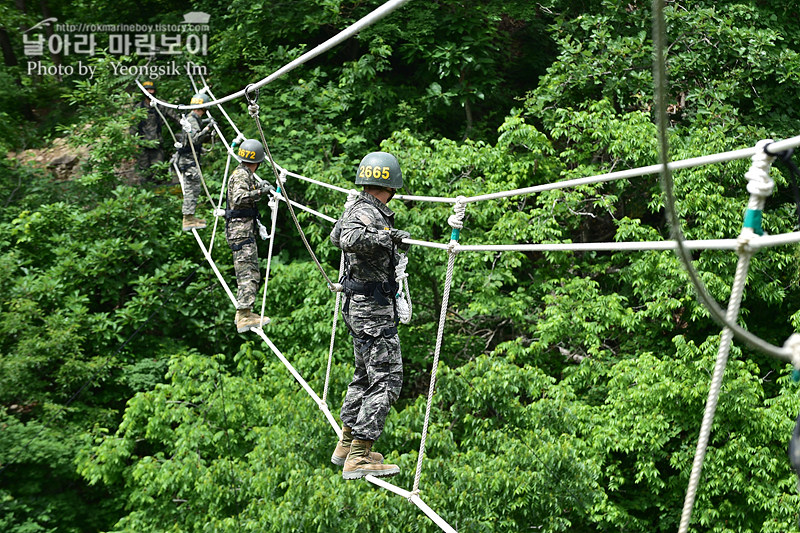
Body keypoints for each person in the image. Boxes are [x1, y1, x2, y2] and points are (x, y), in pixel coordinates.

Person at [330, 151, 411, 480]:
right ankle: (360, 455)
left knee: (363, 377)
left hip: (359, 308)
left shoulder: (358, 207)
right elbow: (346, 239)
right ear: (390, 185)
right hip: (372, 312)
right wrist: (386, 239)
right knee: (387, 380)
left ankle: (347, 444)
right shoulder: (367, 213)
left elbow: (337, 234)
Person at [224, 138, 273, 333]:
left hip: (242, 231)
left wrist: (258, 190)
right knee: (248, 273)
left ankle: (245, 312)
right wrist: (260, 192)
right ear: (258, 162)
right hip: (241, 233)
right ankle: (244, 315)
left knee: (250, 271)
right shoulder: (242, 176)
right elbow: (238, 198)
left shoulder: (243, 174)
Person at [177, 92, 216, 232]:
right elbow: (195, 138)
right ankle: (187, 219)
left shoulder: (193, 118)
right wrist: (207, 129)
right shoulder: (192, 120)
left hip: (190, 159)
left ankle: (190, 217)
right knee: (191, 188)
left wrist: (206, 123)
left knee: (195, 186)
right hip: (188, 160)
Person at [131, 80, 179, 184]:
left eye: (151, 89)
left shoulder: (161, 105)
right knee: (144, 173)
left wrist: (187, 126)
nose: (150, 92)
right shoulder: (138, 108)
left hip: (157, 144)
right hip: (142, 145)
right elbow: (133, 127)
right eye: (147, 90)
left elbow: (176, 118)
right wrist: (133, 143)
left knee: (158, 172)